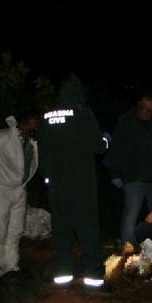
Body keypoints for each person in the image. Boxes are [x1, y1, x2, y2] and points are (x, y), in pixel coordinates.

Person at [37, 74, 109, 289]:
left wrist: (48, 174)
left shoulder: (47, 117)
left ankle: (62, 274)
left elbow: (42, 150)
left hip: (57, 185)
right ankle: (93, 277)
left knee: (61, 230)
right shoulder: (83, 113)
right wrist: (106, 140)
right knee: (88, 230)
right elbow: (98, 146)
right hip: (82, 184)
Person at [0, 109, 40, 277]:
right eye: (34, 121)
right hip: (0, 189)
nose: (36, 124)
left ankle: (10, 264)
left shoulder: (31, 141)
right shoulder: (2, 136)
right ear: (25, 121)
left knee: (16, 229)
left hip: (20, 189)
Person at [108, 89, 152, 248]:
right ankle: (128, 249)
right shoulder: (125, 122)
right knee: (130, 214)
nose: (146, 113)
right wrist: (115, 173)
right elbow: (116, 148)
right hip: (134, 175)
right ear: (138, 105)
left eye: (150, 110)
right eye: (144, 109)